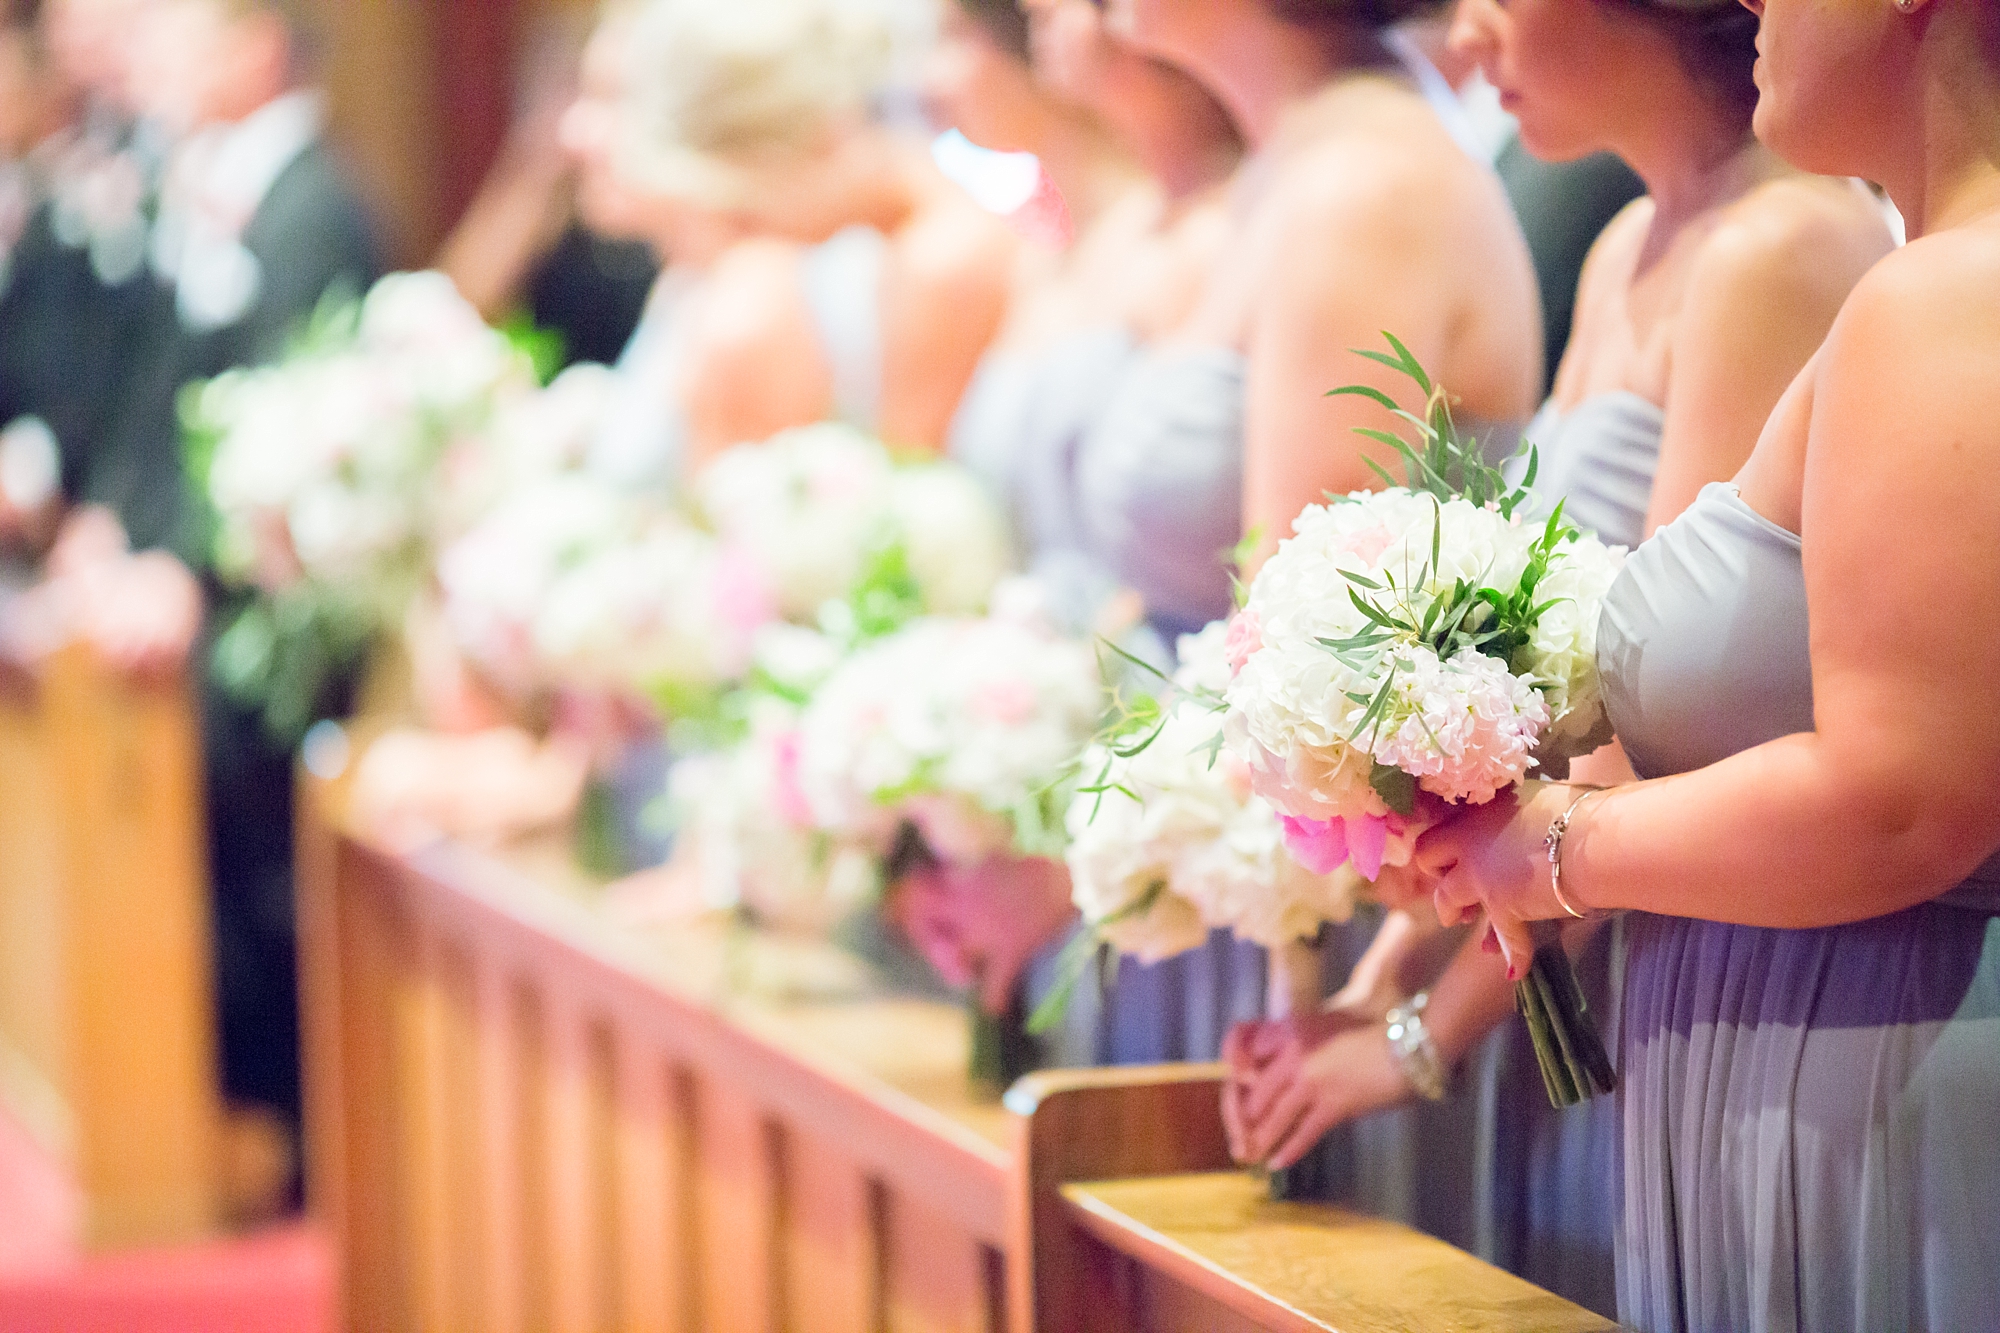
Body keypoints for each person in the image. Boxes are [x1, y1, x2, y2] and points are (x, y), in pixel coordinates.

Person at [1218, 0, 1894, 1314]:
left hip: (1699, 924)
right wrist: (1386, 973)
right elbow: (1569, 688)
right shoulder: (1633, 242)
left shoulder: (1780, 244)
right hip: (1592, 933)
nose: (1466, 35)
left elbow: (1662, 705)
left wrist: (1422, 1039)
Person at [1400, 0, 2000, 1325]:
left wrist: (1552, 847)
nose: (1752, 4)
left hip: (1882, 1053)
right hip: (1798, 1047)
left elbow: (1903, 801)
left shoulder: (1948, 293)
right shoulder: (1924, 283)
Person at [79, 0, 378, 1165]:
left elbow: (276, 414)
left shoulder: (311, 204)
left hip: (267, 609)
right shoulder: (221, 191)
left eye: (181, 35)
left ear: (260, 44)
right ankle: (249, 1116)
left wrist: (182, 561)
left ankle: (303, 1133)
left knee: (265, 878)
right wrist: (116, 522)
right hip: (198, 582)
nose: (154, 62)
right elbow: (165, 399)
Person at [568, 0, 1018, 489]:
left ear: (819, 146)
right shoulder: (895, 250)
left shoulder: (942, 261)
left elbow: (910, 510)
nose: (752, 248)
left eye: (747, 217)